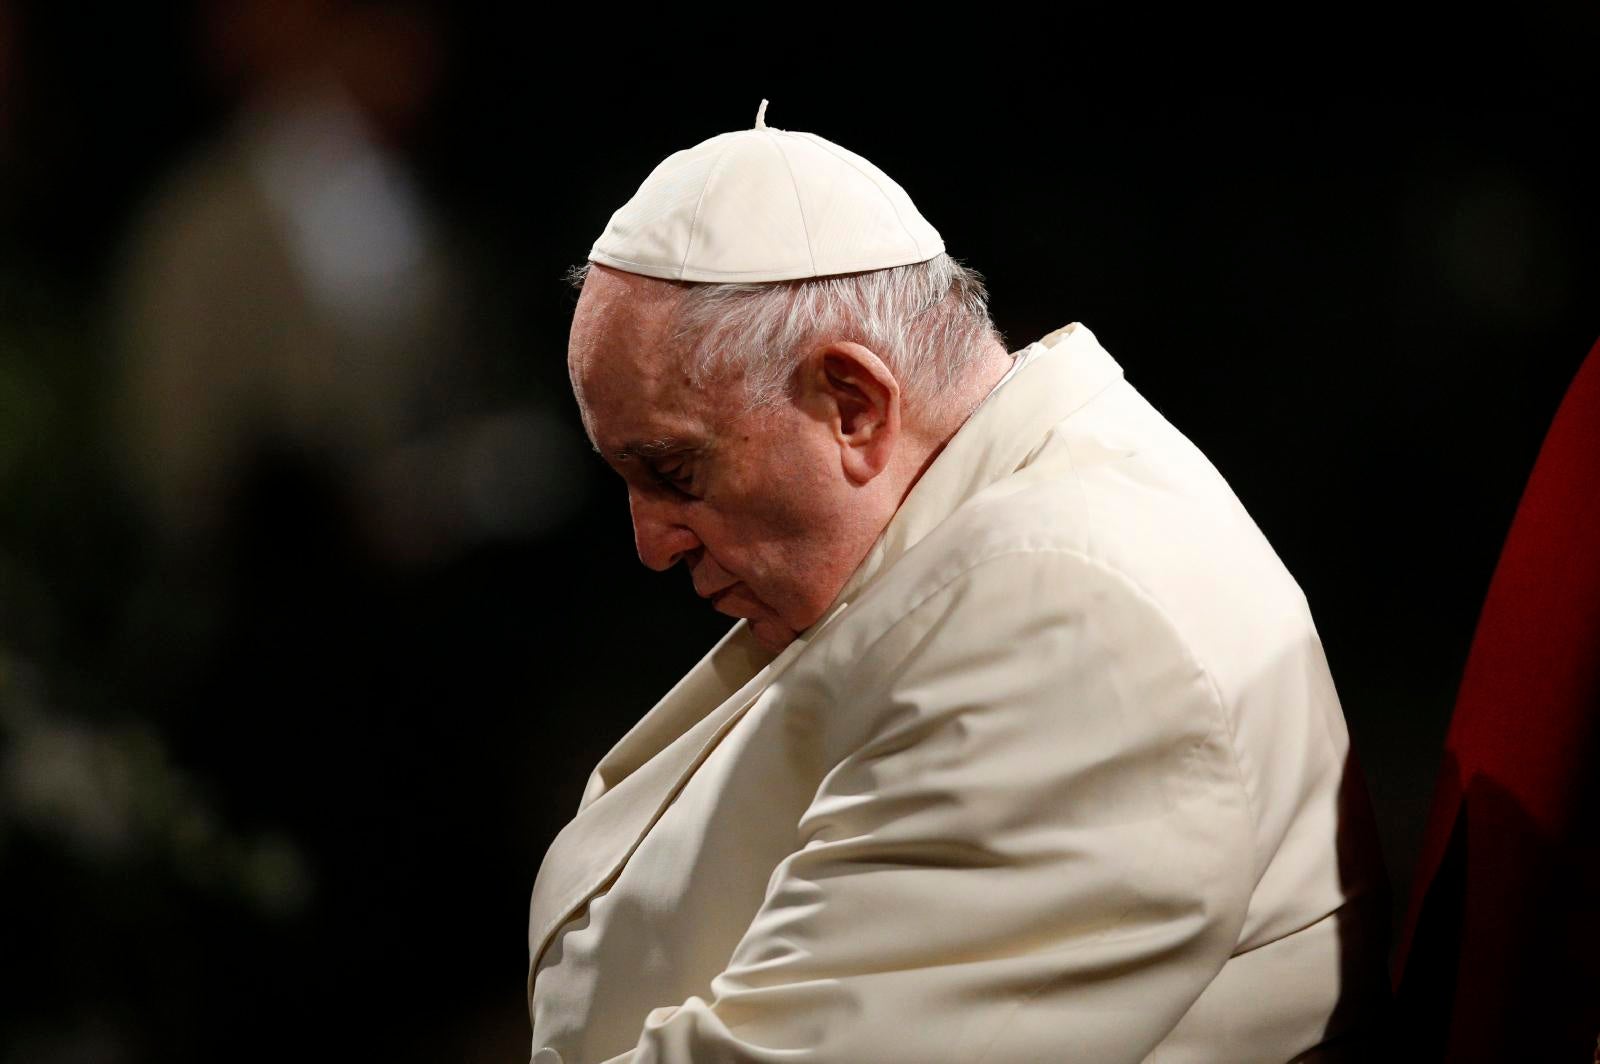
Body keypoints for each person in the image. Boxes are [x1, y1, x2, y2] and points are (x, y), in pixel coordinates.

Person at [527, 100, 1390, 1063]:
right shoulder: (1017, 509)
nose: (650, 544)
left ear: (853, 403)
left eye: (676, 473)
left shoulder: (1071, 616)